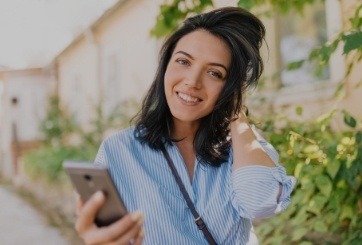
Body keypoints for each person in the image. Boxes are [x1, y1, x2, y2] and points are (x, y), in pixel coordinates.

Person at [75, 6, 296, 245]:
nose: (192, 81)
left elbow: (260, 202)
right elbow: (107, 235)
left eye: (214, 73)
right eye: (183, 61)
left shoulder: (243, 148)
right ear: (165, 66)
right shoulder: (118, 150)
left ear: (231, 87)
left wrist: (236, 111)